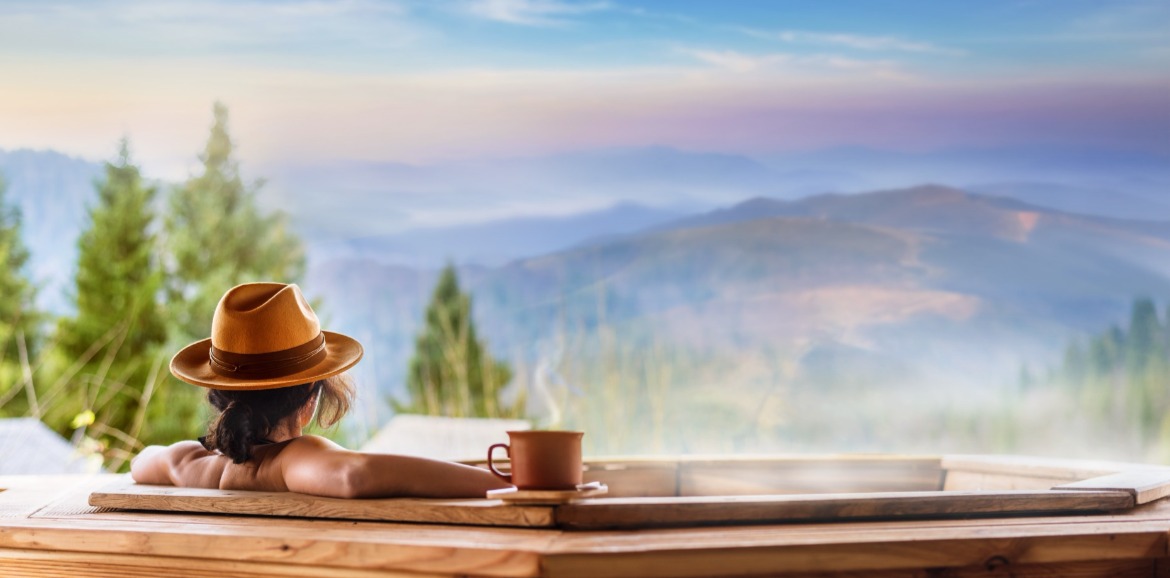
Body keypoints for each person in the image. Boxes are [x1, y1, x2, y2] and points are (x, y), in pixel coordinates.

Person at [130, 282, 513, 499]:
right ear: (310, 400)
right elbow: (354, 475)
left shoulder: (193, 463)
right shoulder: (290, 460)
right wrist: (507, 484)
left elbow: (143, 460)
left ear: (218, 394)